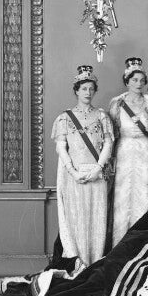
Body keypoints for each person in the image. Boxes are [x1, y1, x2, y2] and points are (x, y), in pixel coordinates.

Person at [50, 65, 114, 266]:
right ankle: (77, 264)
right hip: (75, 176)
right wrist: (73, 172)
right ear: (76, 90)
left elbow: (108, 144)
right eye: (83, 88)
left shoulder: (103, 116)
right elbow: (61, 148)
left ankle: (94, 264)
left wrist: (98, 168)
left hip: (96, 174)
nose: (88, 92)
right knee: (76, 220)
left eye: (91, 88)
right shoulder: (64, 118)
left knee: (97, 220)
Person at [108, 57, 148, 246]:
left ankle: (139, 244)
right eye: (134, 80)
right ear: (127, 81)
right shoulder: (117, 103)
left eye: (142, 80)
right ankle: (119, 243)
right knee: (121, 198)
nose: (138, 84)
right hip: (123, 153)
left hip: (144, 154)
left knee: (142, 197)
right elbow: (111, 136)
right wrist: (111, 162)